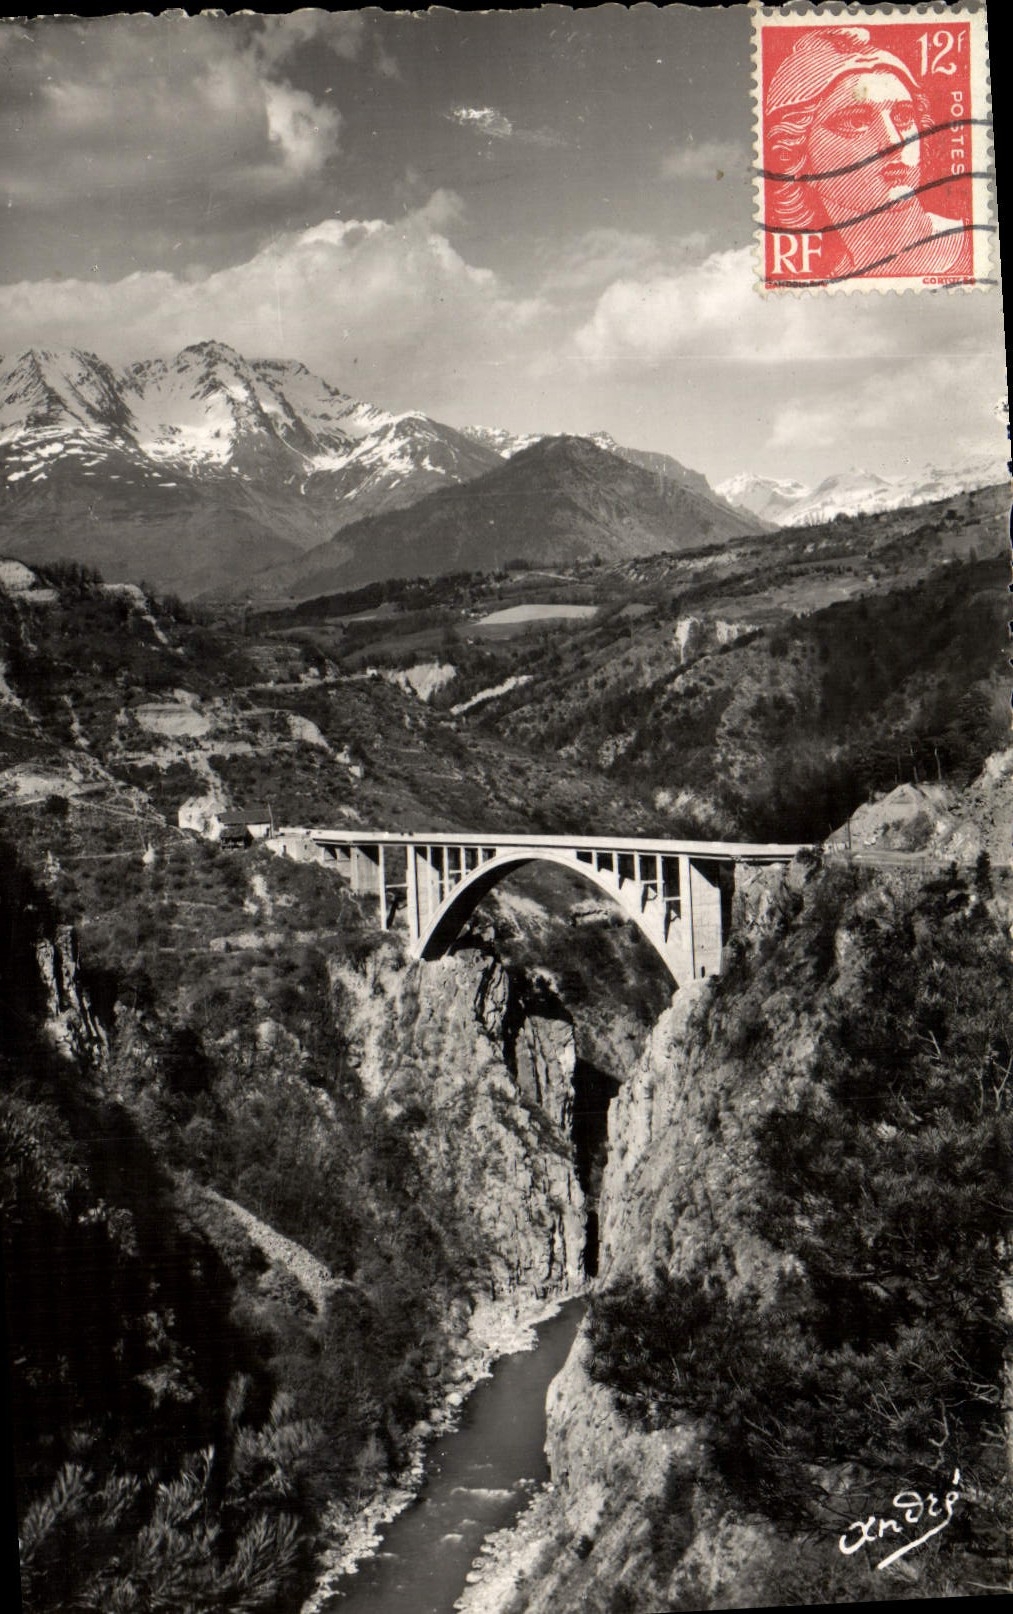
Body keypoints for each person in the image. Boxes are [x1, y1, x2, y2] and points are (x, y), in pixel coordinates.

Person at [765, 26, 970, 279]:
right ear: (795, 155)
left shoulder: (974, 245)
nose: (894, 141)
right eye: (855, 122)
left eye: (904, 116)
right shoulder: (829, 281)